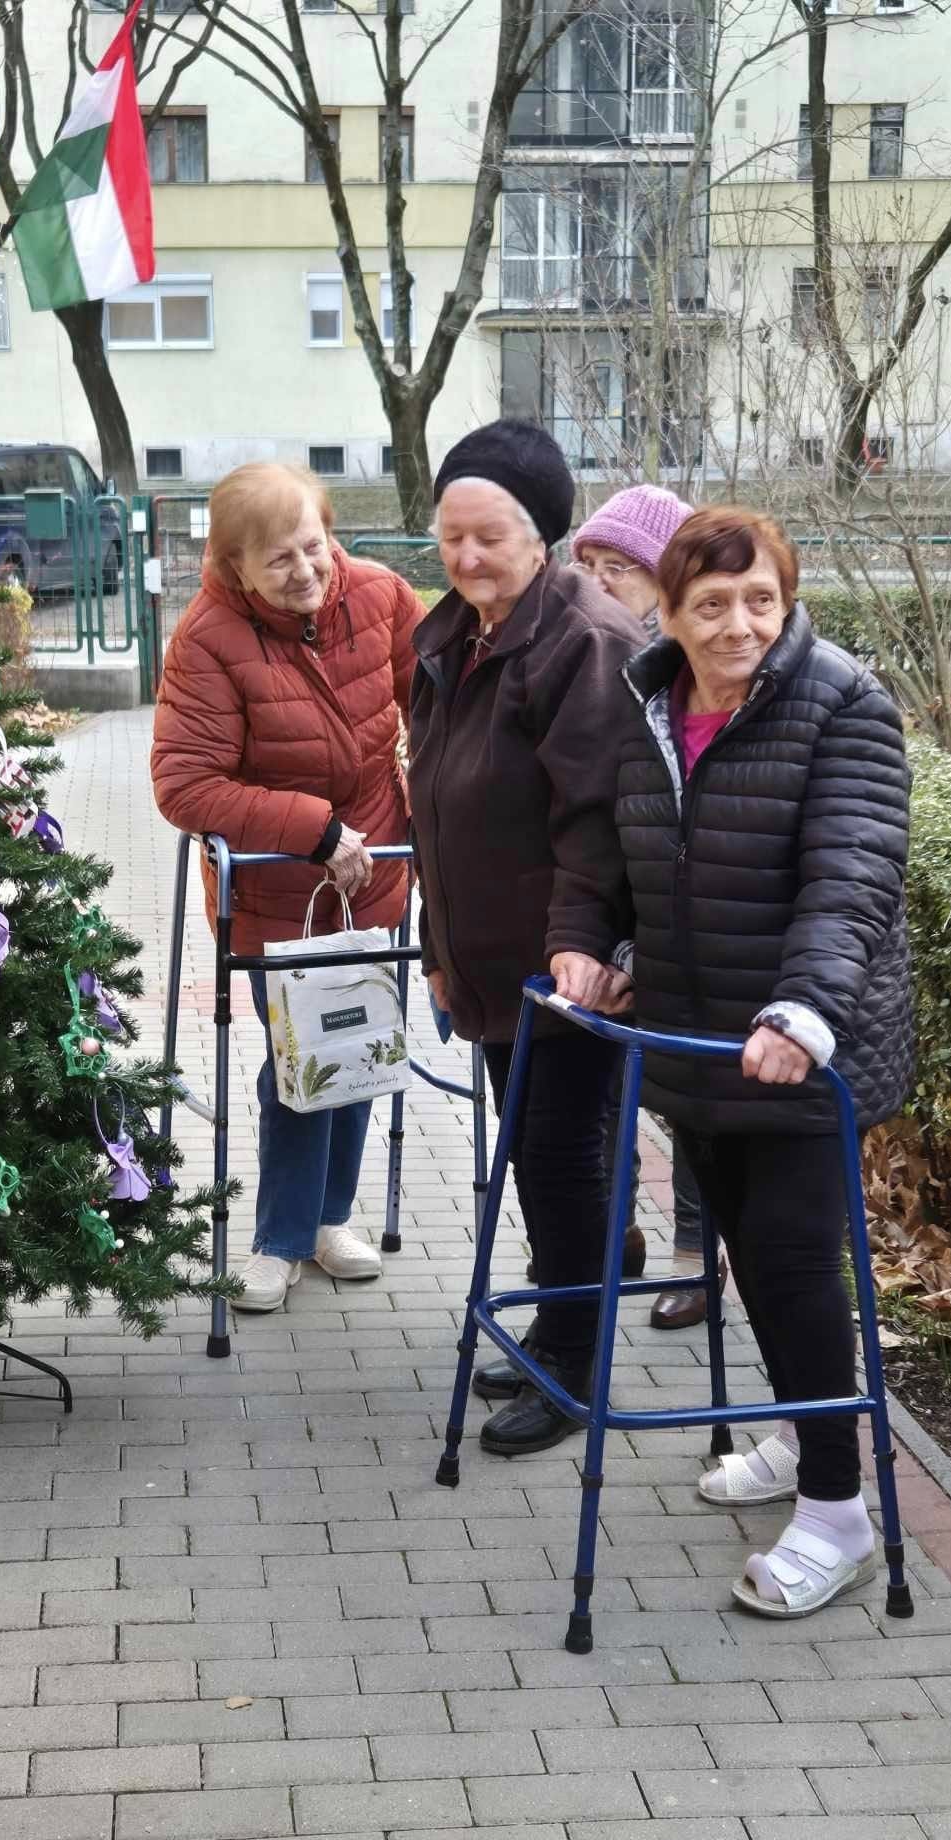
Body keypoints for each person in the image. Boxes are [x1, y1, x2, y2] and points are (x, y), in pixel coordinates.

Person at [585, 505, 912, 1616]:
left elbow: (851, 873)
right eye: (711, 604)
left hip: (802, 1051)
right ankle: (795, 1428)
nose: (739, 626)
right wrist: (613, 950)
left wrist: (805, 1010)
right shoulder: (651, 707)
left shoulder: (842, 704)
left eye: (760, 600)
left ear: (787, 599)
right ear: (667, 611)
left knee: (787, 1260)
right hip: (699, 1042)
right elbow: (641, 862)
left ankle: (837, 1508)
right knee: (740, 1252)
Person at [409, 421, 645, 1456]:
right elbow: (440, 801)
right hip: (495, 953)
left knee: (558, 1161)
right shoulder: (459, 631)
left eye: (488, 538)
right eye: (449, 538)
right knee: (535, 1153)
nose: (464, 560)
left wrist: (573, 958)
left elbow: (595, 829)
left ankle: (574, 1364)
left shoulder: (583, 641)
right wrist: (440, 938)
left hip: (567, 965)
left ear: (541, 536)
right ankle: (556, 1324)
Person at [151, 463, 421, 1314]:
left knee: (362, 1049)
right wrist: (312, 828)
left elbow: (440, 709)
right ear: (235, 568)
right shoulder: (207, 639)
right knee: (300, 1062)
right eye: (279, 561)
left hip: (376, 873)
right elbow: (185, 784)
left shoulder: (380, 596)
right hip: (282, 890)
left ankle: (329, 1220)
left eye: (316, 546)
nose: (307, 571)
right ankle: (277, 1240)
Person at [572, 485, 725, 1332]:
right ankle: (612, 1234)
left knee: (693, 1100)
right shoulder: (601, 665)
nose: (598, 585)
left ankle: (697, 1261)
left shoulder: (700, 679)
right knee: (602, 1093)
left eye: (618, 570)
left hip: (696, 927)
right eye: (587, 567)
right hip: (613, 915)